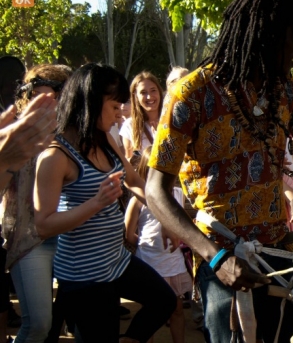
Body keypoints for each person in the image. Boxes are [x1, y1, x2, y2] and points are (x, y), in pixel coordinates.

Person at [144, 0, 293, 341]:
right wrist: (215, 259)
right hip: (220, 259)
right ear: (266, 36)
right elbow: (156, 191)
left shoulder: (287, 92)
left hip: (278, 252)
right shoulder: (191, 94)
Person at [33, 63, 176, 342]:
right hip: (85, 278)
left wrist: (167, 220)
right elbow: (43, 225)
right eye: (114, 106)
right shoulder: (55, 156)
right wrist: (96, 203)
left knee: (165, 301)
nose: (120, 113)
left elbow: (135, 182)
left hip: (117, 261)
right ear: (90, 102)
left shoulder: (105, 139)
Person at [0, 64, 65, 343]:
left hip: (69, 238)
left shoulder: (73, 134)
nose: (45, 104)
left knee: (56, 326)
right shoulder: (15, 133)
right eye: (37, 95)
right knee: (38, 323)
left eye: (52, 97)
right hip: (29, 238)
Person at [125, 152, 191, 343]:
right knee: (152, 310)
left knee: (177, 307)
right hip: (150, 262)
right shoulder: (137, 199)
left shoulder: (179, 194)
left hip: (174, 261)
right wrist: (147, 244)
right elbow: (129, 235)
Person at [121, 72, 164, 159]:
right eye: (143, 92)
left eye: (153, 90)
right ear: (135, 96)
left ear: (159, 92)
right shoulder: (129, 126)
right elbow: (129, 161)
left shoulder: (173, 120)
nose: (149, 97)